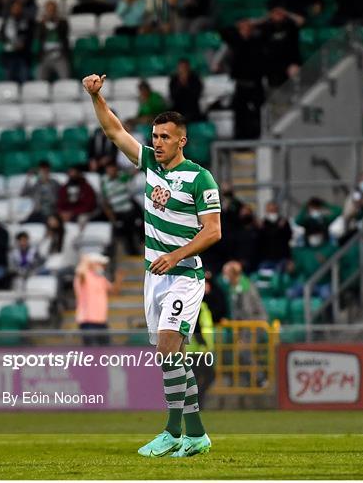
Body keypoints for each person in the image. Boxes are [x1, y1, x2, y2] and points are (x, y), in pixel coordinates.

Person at [83, 73, 221, 457]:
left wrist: (175, 255)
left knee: (167, 348)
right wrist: (97, 96)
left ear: (182, 140)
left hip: (183, 276)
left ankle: (173, 432)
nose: (157, 143)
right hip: (153, 278)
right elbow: (114, 131)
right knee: (170, 357)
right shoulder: (150, 165)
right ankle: (196, 435)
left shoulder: (200, 178)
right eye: (155, 136)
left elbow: (213, 232)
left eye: (165, 137)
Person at [221, 20, 265, 139]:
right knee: (239, 114)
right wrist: (237, 25)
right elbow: (223, 32)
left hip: (256, 84)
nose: (245, 31)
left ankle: (258, 137)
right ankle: (239, 139)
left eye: (248, 28)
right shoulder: (236, 41)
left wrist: (255, 23)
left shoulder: (257, 41)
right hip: (240, 84)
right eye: (243, 29)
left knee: (257, 113)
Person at [73, 252, 123, 346]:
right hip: (88, 321)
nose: (103, 266)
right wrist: (86, 261)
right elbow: (80, 273)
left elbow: (114, 291)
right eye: (100, 264)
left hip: (101, 321)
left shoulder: (100, 278)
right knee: (92, 352)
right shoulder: (84, 276)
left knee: (104, 351)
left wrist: (118, 278)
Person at [101, 161, 141, 255]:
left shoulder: (122, 177)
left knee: (132, 226)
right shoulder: (105, 182)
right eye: (109, 169)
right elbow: (105, 202)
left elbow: (133, 173)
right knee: (121, 230)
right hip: (117, 212)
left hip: (129, 210)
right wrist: (112, 218)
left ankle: (135, 251)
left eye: (113, 169)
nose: (111, 171)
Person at [286, 228, 337, 301]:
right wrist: (291, 270)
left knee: (327, 296)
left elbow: (336, 269)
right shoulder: (304, 252)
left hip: (323, 283)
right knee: (290, 293)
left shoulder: (330, 248)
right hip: (307, 283)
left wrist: (326, 263)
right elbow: (296, 271)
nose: (314, 237)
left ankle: (329, 312)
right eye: (312, 234)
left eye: (317, 234)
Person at [259, 7, 301, 88]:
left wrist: (286, 13)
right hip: (273, 64)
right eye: (275, 13)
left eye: (280, 13)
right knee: (275, 89)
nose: (278, 15)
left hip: (290, 63)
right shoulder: (266, 27)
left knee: (292, 87)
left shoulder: (289, 25)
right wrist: (268, 16)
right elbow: (250, 24)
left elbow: (300, 20)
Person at [0, 0, 34, 83]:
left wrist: (23, 44)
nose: (16, 9)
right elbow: (1, 35)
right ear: (11, 9)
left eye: (18, 8)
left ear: (21, 9)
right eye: (14, 8)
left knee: (24, 78)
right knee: (8, 79)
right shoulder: (6, 21)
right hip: (9, 55)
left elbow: (30, 36)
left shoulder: (27, 21)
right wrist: (6, 41)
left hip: (23, 55)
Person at [35, 0, 70, 81]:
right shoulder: (41, 24)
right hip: (45, 56)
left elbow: (64, 33)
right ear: (46, 11)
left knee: (65, 78)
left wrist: (56, 22)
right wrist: (44, 24)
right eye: (49, 10)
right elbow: (38, 37)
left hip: (59, 56)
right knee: (39, 79)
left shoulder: (62, 23)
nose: (51, 12)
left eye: (53, 10)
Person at [258, 201, 292, 271]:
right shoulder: (263, 223)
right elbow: (262, 238)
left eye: (274, 210)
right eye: (270, 210)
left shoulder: (284, 222)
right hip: (266, 257)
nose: (272, 212)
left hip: (281, 257)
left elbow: (288, 237)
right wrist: (278, 228)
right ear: (266, 211)